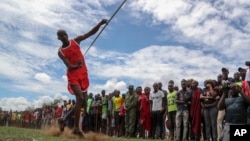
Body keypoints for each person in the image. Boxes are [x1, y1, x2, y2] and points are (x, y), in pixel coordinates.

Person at [57, 19, 108, 136]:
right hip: (73, 75)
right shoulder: (60, 52)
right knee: (79, 98)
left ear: (67, 35)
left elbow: (90, 33)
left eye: (64, 34)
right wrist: (76, 65)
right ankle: (76, 128)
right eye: (61, 36)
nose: (63, 36)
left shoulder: (76, 41)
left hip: (83, 73)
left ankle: (63, 119)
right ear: (59, 38)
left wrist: (100, 24)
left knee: (83, 102)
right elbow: (69, 65)